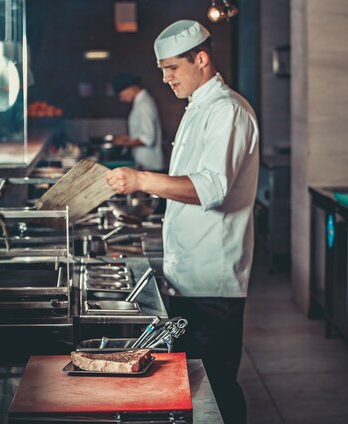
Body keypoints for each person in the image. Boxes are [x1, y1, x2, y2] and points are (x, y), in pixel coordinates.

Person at [105, 20, 259, 424]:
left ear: (202, 58)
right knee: (197, 387)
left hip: (212, 277)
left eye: (172, 68)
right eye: (161, 69)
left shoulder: (227, 110)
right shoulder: (198, 107)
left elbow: (212, 188)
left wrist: (140, 180)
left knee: (217, 387)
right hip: (189, 272)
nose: (165, 78)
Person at [111, 72, 165, 171]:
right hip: (144, 162)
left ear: (131, 88)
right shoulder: (140, 102)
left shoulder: (143, 104)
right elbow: (142, 133)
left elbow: (148, 139)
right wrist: (128, 138)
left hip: (150, 164)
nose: (121, 99)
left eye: (121, 95)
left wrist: (124, 143)